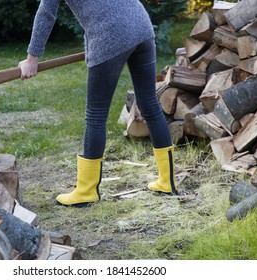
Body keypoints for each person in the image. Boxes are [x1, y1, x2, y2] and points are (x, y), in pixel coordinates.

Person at [19, 0, 177, 207]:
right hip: (141, 26)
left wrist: (32, 58)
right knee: (150, 105)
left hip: (110, 34)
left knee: (96, 114)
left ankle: (86, 191)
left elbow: (46, 13)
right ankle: (167, 182)